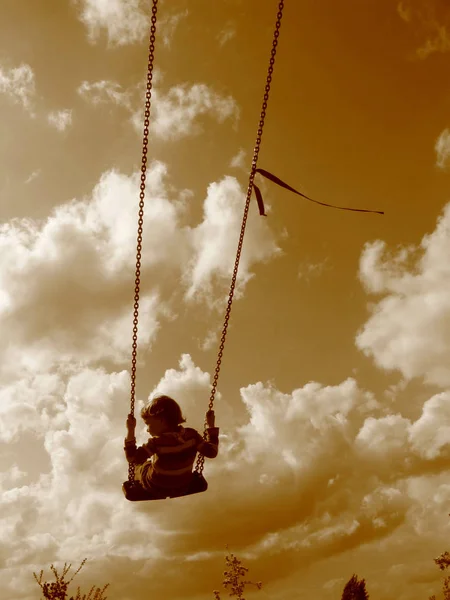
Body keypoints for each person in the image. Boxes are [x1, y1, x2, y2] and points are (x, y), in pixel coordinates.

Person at [124, 394, 219, 498]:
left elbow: (132, 458)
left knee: (140, 465)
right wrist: (211, 426)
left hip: (155, 487)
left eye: (148, 424)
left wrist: (131, 430)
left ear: (161, 420)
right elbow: (212, 452)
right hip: (182, 487)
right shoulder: (192, 436)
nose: (147, 429)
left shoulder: (156, 443)